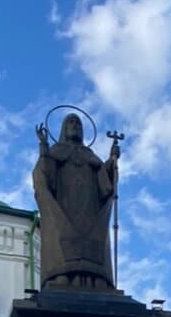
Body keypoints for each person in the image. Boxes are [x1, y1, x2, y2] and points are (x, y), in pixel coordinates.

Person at [32, 113, 118, 289]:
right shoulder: (56, 152)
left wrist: (111, 162)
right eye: (71, 122)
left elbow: (106, 185)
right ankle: (63, 275)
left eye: (78, 123)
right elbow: (45, 177)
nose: (75, 125)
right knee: (62, 235)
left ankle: (95, 278)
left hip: (90, 208)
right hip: (64, 206)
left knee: (93, 238)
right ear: (64, 128)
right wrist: (44, 147)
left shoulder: (90, 155)